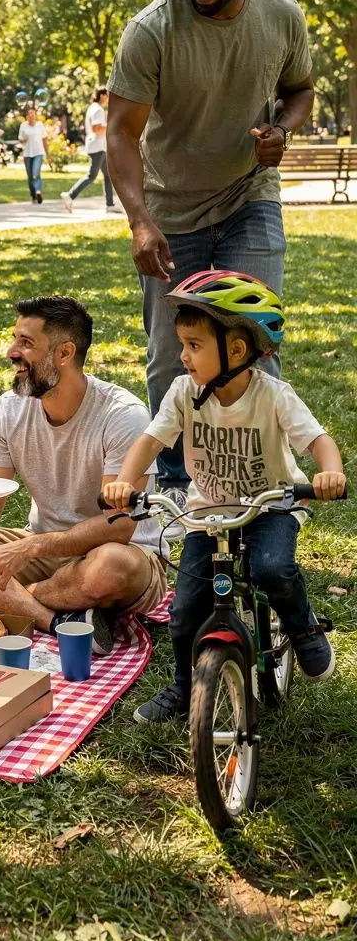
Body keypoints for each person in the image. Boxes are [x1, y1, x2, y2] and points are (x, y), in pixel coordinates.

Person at [106, 0, 315, 507]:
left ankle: (265, 485)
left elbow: (299, 89)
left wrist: (283, 130)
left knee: (256, 337)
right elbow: (121, 132)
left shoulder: (281, 16)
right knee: (173, 354)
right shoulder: (152, 30)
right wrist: (140, 221)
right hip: (170, 209)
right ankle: (178, 485)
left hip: (249, 195)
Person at [103, 271, 346, 722]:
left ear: (235, 351)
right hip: (209, 512)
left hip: (271, 506)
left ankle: (303, 627)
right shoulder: (184, 392)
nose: (183, 356)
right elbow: (151, 441)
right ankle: (183, 687)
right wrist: (125, 481)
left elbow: (318, 440)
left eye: (194, 345)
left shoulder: (273, 396)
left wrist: (330, 472)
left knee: (271, 568)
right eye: (183, 344)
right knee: (185, 610)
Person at [0, 295, 168, 655]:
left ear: (64, 353)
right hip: (44, 548)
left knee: (111, 567)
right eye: (14, 339)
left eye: (26, 343)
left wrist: (30, 548)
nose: (11, 352)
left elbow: (118, 526)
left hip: (120, 551)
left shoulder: (122, 415)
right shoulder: (9, 410)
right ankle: (55, 619)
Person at [62, 87, 120, 214]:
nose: (108, 99)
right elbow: (96, 128)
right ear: (102, 96)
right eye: (107, 96)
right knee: (91, 176)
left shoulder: (94, 108)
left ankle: (110, 204)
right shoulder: (97, 109)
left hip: (99, 147)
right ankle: (70, 195)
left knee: (108, 175)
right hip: (96, 147)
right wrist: (111, 124)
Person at [17, 103, 50, 204]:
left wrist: (48, 154)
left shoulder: (40, 125)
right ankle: (33, 195)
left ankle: (38, 191)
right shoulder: (23, 126)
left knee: (36, 173)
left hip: (38, 153)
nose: (31, 115)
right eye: (29, 114)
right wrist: (24, 139)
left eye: (33, 113)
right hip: (27, 154)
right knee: (30, 176)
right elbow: (20, 140)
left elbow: (45, 140)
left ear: (35, 115)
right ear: (27, 116)